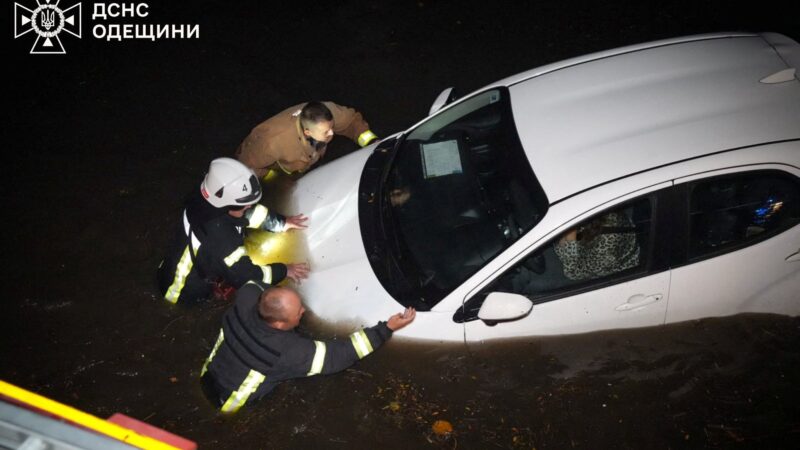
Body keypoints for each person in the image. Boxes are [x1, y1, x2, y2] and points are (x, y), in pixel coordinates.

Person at [200, 281, 416, 413]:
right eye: (298, 312)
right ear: (278, 324)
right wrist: (386, 328)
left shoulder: (246, 297)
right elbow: (339, 356)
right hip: (230, 402)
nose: (303, 311)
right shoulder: (288, 352)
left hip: (207, 373)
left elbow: (257, 284)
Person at [157, 157, 310, 305]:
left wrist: (281, 223)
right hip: (182, 292)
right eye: (245, 204)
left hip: (171, 268)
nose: (249, 207)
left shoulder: (207, 196)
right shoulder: (222, 238)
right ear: (226, 206)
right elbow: (246, 277)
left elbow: (248, 213)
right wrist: (284, 270)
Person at [235, 101, 379, 177]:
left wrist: (371, 143)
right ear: (307, 132)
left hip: (308, 158)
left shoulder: (328, 112)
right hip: (279, 166)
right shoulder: (273, 143)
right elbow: (246, 165)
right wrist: (268, 180)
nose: (332, 134)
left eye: (332, 127)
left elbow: (351, 122)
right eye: (326, 132)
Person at [553, 211, 640, 281]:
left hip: (615, 266)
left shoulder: (607, 243)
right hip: (603, 244)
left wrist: (570, 236)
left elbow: (574, 273)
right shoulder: (601, 212)